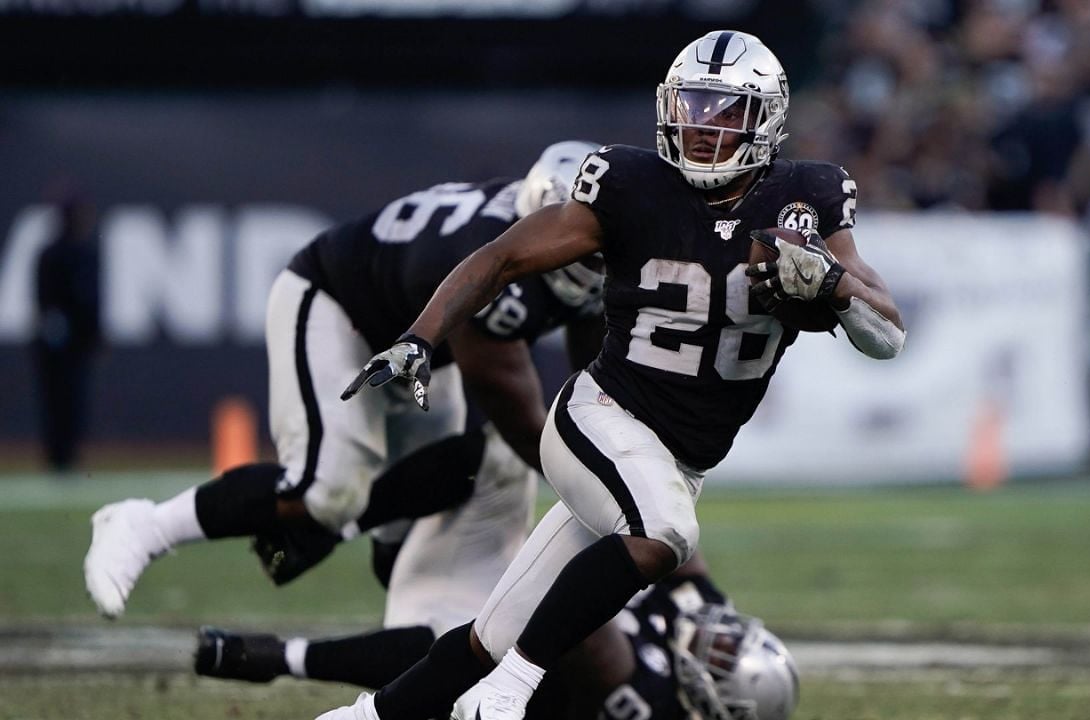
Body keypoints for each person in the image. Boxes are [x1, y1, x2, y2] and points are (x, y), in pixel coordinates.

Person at [329, 30, 903, 720]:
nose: (703, 125)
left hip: (677, 456)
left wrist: (833, 284)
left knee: (492, 635)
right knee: (665, 534)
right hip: (601, 416)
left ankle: (366, 717)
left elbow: (887, 335)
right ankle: (506, 697)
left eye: (725, 111)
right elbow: (501, 257)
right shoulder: (631, 183)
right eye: (692, 105)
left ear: (768, 120)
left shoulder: (806, 195)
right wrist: (421, 336)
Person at [83, 142, 606, 638]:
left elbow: (595, 375)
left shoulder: (580, 256)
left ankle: (408, 641)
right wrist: (605, 491)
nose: (586, 257)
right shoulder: (490, 259)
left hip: (420, 349)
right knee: (326, 492)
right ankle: (145, 526)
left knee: (422, 510)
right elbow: (515, 413)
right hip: (341, 309)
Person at [194, 553, 799, 720]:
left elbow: (592, 640)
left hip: (512, 695)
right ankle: (283, 656)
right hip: (524, 623)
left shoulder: (654, 701)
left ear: (716, 697)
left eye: (723, 656)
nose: (717, 638)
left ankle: (282, 658)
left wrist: (603, 572)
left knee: (459, 648)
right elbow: (682, 550)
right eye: (731, 639)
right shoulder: (702, 616)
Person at [33, 192, 102, 472]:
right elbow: (43, 300)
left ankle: (69, 451)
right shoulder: (52, 254)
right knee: (56, 399)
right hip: (56, 343)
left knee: (75, 400)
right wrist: (53, 329)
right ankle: (57, 453)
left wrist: (93, 333)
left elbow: (93, 300)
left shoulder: (86, 253)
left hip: (78, 343)